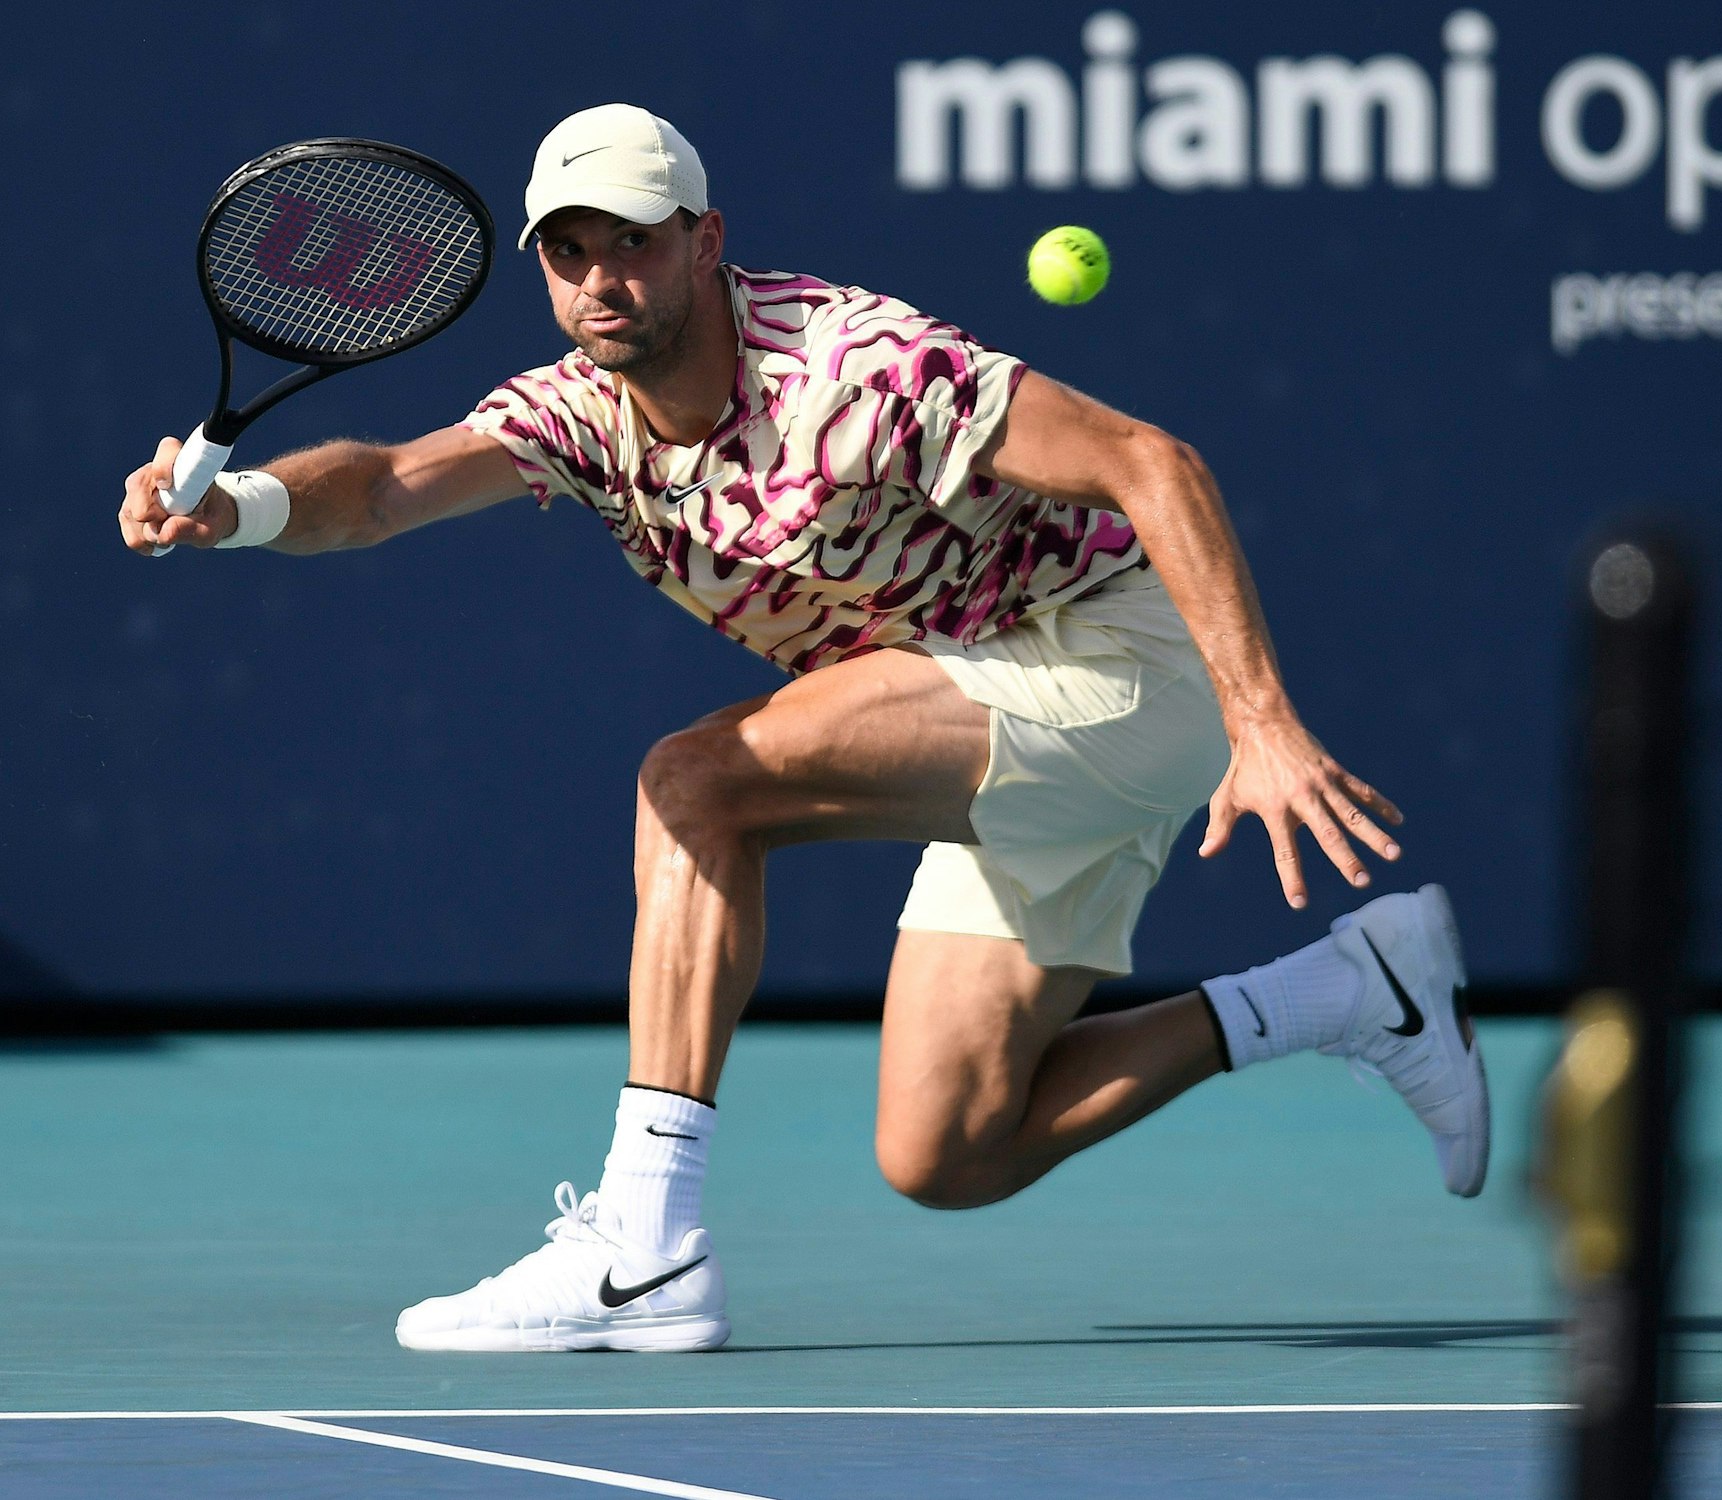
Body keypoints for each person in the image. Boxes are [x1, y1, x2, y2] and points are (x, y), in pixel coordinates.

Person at [118, 104, 1489, 1353]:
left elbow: (1152, 461)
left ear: (707, 242)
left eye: (636, 246)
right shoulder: (578, 416)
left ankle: (642, 1248)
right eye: (570, 252)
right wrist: (236, 509)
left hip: (1119, 664)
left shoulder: (860, 368)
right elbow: (386, 484)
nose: (602, 281)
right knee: (950, 1150)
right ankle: (1360, 989)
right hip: (992, 702)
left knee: (698, 784)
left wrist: (1264, 722)